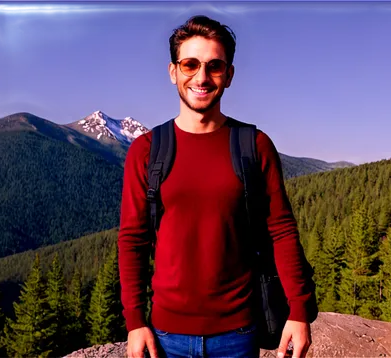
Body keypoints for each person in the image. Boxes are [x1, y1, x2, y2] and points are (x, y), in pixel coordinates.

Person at [118, 15, 316, 358]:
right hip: (166, 336)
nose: (201, 77)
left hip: (238, 333)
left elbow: (281, 230)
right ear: (173, 71)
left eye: (214, 66)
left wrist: (299, 310)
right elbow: (133, 239)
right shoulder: (147, 150)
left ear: (229, 75)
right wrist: (135, 322)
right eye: (190, 64)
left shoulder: (254, 146)